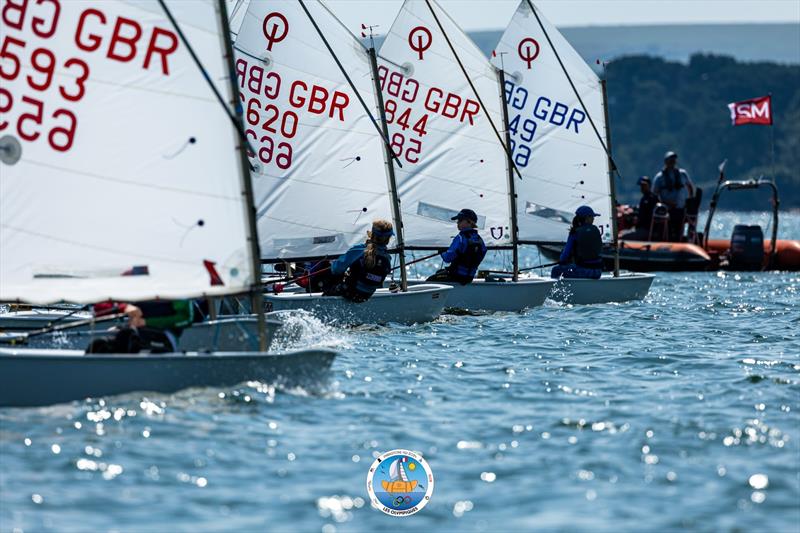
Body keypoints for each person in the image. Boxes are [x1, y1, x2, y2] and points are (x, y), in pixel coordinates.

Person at [88, 300, 200, 353]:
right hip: (132, 334)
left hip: (163, 337)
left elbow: (187, 318)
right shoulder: (132, 277)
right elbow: (98, 306)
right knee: (99, 345)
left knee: (129, 339)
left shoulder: (174, 285)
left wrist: (147, 322)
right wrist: (124, 307)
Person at [323, 220, 394, 303]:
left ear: (372, 234)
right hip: (365, 296)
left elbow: (336, 270)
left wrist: (333, 264)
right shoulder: (387, 257)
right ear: (388, 239)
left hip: (349, 292)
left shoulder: (360, 250)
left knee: (328, 272)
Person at [427, 208, 487, 285]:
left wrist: (442, 252)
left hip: (456, 277)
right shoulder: (479, 240)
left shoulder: (460, 238)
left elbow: (447, 258)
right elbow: (482, 252)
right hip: (469, 278)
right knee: (440, 273)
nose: (457, 222)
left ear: (469, 222)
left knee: (430, 280)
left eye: (460, 220)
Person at [551, 205, 603, 279]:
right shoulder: (596, 230)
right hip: (598, 272)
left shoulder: (575, 232)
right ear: (586, 218)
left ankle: (558, 290)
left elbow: (564, 257)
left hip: (584, 271)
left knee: (555, 270)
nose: (593, 218)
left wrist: (563, 261)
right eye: (592, 216)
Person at [652, 151, 695, 242]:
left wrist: (689, 201)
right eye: (670, 160)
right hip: (667, 210)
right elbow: (654, 195)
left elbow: (690, 187)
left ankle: (679, 243)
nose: (672, 162)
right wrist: (665, 203)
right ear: (666, 161)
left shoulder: (682, 173)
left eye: (674, 160)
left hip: (680, 208)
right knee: (668, 230)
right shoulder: (659, 177)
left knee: (680, 229)